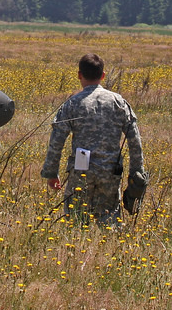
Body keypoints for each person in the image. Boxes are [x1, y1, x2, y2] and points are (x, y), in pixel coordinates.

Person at [41, 53, 147, 227]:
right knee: (110, 219)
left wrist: (51, 173)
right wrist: (137, 173)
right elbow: (135, 140)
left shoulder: (72, 104)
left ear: (79, 75)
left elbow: (57, 141)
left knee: (75, 221)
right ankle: (111, 251)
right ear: (103, 75)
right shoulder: (118, 102)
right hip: (110, 171)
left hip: (81, 171)